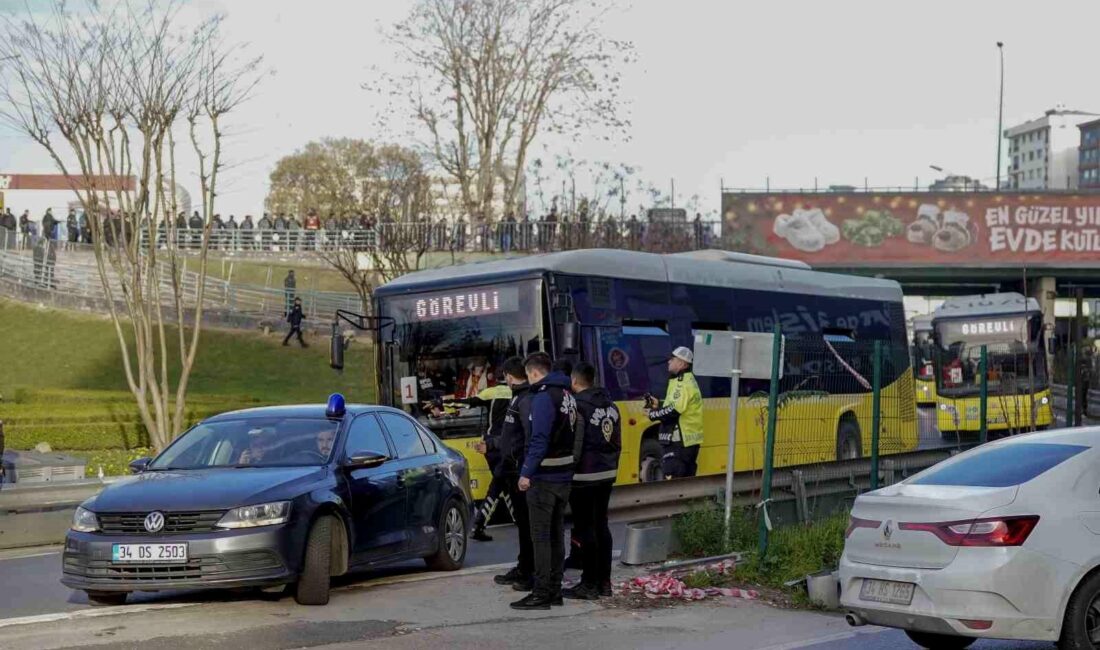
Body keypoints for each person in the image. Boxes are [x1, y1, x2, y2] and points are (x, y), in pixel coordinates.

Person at [511, 353, 577, 611]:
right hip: (563, 475)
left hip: (544, 477)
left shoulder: (543, 397)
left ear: (534, 373)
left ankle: (541, 593)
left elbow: (539, 439)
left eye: (528, 376)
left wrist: (526, 472)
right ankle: (554, 589)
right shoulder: (567, 395)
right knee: (556, 535)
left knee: (541, 537)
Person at [563, 362, 621, 600]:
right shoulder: (612, 405)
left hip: (584, 475)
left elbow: (575, 443)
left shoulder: (578, 406)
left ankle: (588, 584)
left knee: (586, 528)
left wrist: (569, 469)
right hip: (606, 473)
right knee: (601, 526)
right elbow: (617, 440)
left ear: (574, 381)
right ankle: (604, 583)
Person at [446, 377, 514, 542]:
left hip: (490, 444)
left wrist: (441, 404)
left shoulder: (490, 393)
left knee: (502, 482)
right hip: (508, 443)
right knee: (500, 483)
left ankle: (483, 524)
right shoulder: (518, 393)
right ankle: (479, 524)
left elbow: (467, 403)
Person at [492, 357, 536, 589]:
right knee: (522, 523)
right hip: (512, 468)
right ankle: (524, 566)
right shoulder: (519, 397)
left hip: (521, 471)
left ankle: (529, 570)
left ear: (509, 376)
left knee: (528, 524)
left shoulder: (525, 398)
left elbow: (529, 437)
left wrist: (524, 468)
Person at [645, 346, 703, 478]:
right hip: (687, 440)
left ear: (682, 363)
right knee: (685, 477)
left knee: (675, 474)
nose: (668, 361)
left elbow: (674, 410)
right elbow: (677, 405)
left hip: (680, 440)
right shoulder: (682, 381)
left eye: (672, 359)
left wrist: (652, 414)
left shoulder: (682, 384)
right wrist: (658, 405)